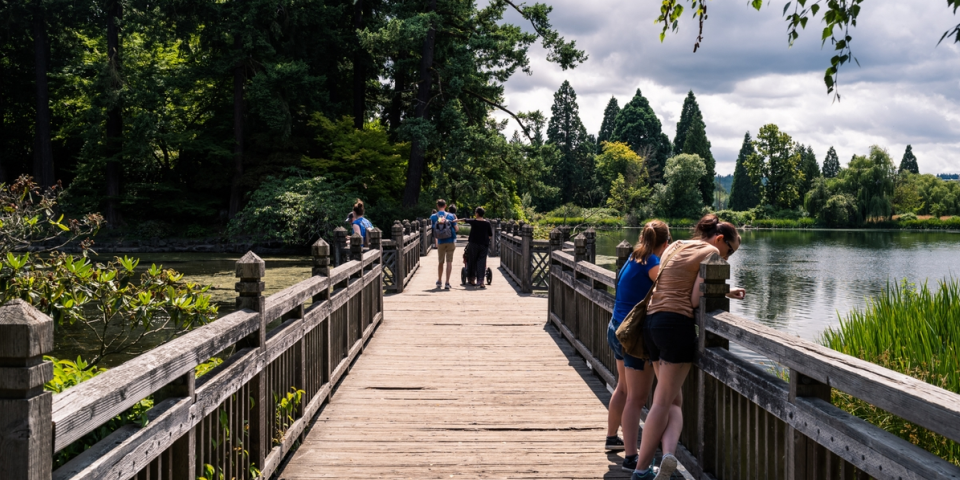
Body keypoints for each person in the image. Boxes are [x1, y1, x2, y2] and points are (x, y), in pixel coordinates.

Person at [632, 214, 746, 480]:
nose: (727, 259)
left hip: (652, 324)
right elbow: (695, 299)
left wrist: (725, 291)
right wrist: (720, 289)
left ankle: (667, 457)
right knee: (661, 402)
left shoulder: (675, 245)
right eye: (729, 251)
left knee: (673, 399)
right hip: (675, 326)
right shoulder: (710, 253)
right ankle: (640, 471)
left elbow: (673, 281)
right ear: (720, 239)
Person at [606, 221, 670, 473]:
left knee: (622, 388)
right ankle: (631, 457)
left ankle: (612, 438)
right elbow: (670, 287)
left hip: (616, 328)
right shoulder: (653, 262)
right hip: (632, 336)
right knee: (636, 398)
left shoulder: (634, 257)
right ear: (665, 244)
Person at [460, 207, 493, 287]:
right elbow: (490, 235)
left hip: (473, 244)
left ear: (477, 214)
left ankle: (472, 279)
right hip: (483, 245)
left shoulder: (474, 222)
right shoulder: (487, 223)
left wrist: (455, 220)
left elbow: (465, 219)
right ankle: (481, 282)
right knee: (482, 262)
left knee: (472, 261)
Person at [431, 199, 458, 290]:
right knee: (449, 262)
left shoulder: (433, 216)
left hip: (440, 242)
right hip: (450, 240)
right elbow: (457, 229)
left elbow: (432, 229)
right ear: (445, 206)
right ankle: (447, 282)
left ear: (437, 206)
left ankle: (439, 281)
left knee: (440, 262)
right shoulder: (451, 216)